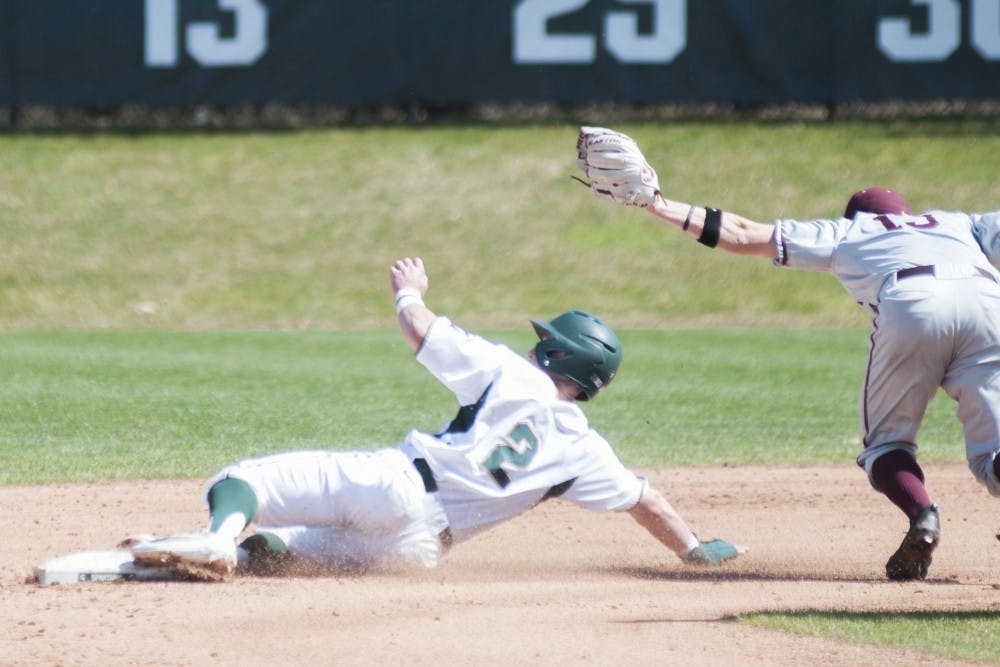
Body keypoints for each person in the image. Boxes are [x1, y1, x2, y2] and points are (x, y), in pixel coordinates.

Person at [130, 256, 743, 577]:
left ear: (556, 354)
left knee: (244, 480)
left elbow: (419, 332)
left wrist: (409, 290)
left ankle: (213, 539)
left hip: (394, 485)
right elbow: (646, 502)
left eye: (545, 340)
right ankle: (222, 558)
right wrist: (694, 551)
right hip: (417, 550)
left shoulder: (515, 373)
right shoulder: (588, 451)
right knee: (286, 550)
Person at [575, 126, 1000, 581]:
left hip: (911, 302)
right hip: (988, 303)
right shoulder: (959, 223)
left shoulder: (847, 231)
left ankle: (923, 515)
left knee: (887, 446)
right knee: (992, 452)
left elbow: (739, 233)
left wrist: (657, 204)